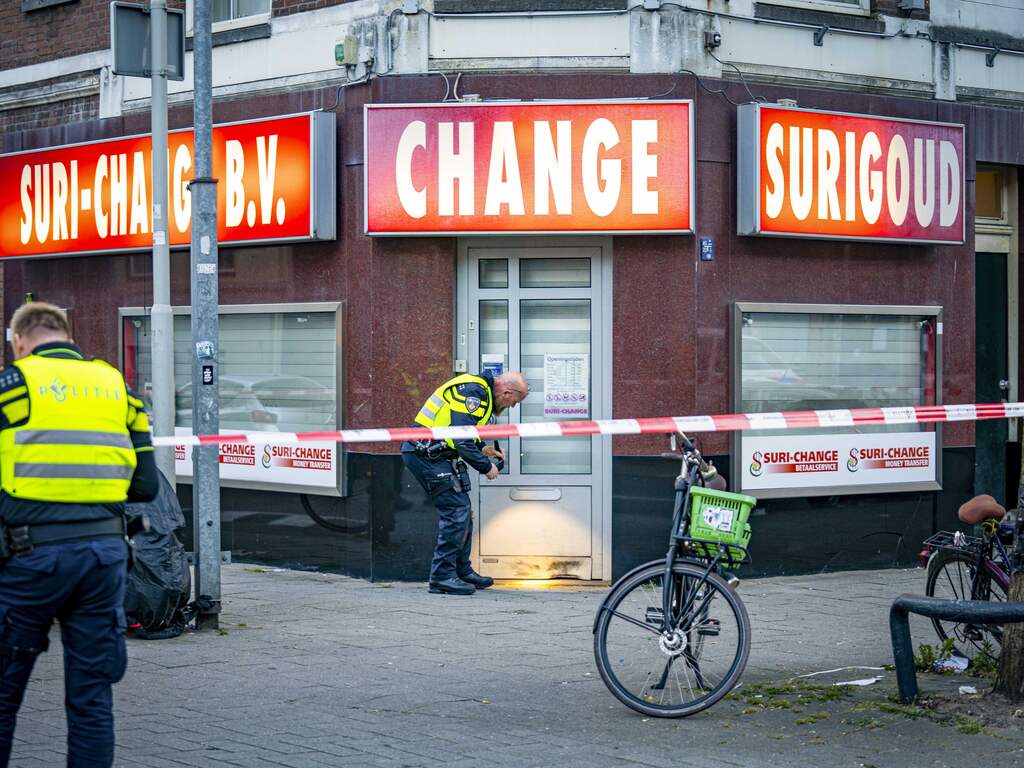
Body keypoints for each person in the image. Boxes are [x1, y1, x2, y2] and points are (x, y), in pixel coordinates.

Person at [0, 302, 159, 768]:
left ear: (19, 341)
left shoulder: (13, 384)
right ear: (68, 335)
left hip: (30, 557)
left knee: (5, 697)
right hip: (104, 558)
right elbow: (146, 485)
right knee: (91, 698)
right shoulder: (118, 388)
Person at [402, 370, 529, 595]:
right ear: (508, 392)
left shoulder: (481, 392)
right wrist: (485, 466)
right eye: (514, 402)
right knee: (456, 509)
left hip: (436, 454)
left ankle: (461, 571)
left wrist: (482, 449)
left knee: (463, 511)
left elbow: (464, 431)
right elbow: (460, 437)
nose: (512, 407)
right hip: (424, 454)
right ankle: (442, 576)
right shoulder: (475, 391)